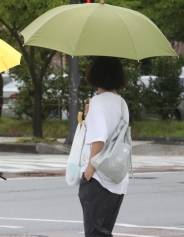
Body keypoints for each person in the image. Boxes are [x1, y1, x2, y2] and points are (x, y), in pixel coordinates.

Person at [80, 56, 129, 236]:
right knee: (104, 231)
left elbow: (99, 138)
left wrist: (90, 168)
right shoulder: (122, 103)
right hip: (117, 179)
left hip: (99, 178)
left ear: (95, 75)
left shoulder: (98, 102)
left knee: (94, 232)